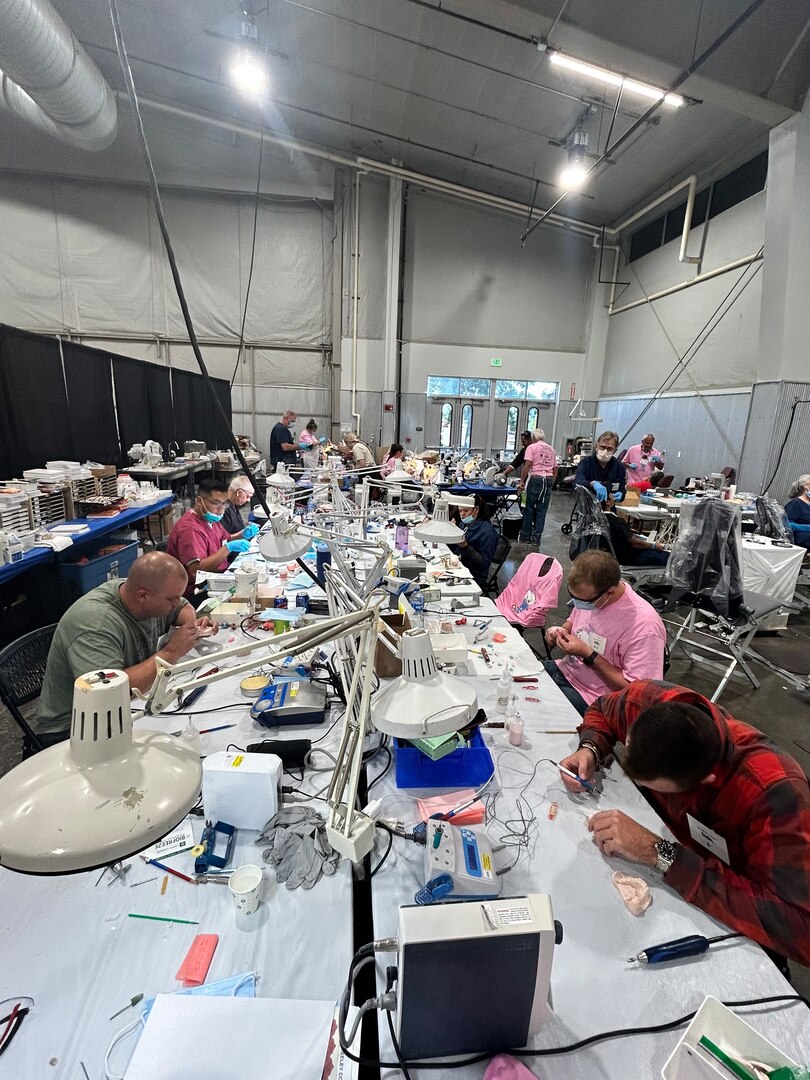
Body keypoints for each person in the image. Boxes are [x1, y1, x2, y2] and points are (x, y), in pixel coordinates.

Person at [558, 680, 810, 967]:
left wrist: (660, 852)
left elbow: (801, 929)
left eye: (654, 786)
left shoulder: (773, 793)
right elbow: (602, 709)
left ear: (706, 781)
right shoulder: (651, 702)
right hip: (684, 861)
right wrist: (591, 747)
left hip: (731, 911)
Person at [37, 553, 213, 746]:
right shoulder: (94, 624)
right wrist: (171, 651)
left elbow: (184, 607)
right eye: (172, 599)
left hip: (126, 708)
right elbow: (109, 692)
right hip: (77, 729)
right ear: (142, 596)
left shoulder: (145, 592)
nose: (176, 604)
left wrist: (191, 627)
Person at [544, 550, 666, 715]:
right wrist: (560, 632)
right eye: (574, 597)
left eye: (584, 601)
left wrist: (589, 654)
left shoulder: (644, 626)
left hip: (594, 698)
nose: (578, 604)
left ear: (610, 592)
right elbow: (573, 622)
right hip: (565, 670)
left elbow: (638, 691)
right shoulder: (592, 597)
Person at [167, 478, 251, 599]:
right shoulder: (190, 529)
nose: (221, 510)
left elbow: (224, 539)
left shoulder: (210, 519)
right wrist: (227, 549)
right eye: (216, 503)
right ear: (199, 500)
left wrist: (242, 535)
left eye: (224, 504)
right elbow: (196, 571)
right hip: (196, 591)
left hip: (216, 578)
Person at [448, 494, 500, 591]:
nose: (462, 514)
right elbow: (455, 549)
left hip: (474, 577)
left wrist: (466, 547)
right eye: (460, 511)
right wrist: (451, 531)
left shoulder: (487, 532)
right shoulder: (464, 524)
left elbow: (484, 564)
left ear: (476, 509)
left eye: (466, 511)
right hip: (459, 568)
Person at [603, 496, 669, 567]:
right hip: (628, 557)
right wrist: (653, 546)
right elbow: (634, 543)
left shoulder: (598, 520)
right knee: (670, 557)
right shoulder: (617, 521)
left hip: (611, 556)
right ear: (607, 502)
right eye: (611, 494)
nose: (614, 495)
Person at [518, 429, 557, 545]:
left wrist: (522, 480)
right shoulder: (551, 449)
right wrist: (552, 482)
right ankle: (537, 538)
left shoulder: (532, 447)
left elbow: (528, 464)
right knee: (541, 511)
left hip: (536, 479)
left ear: (533, 438)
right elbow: (555, 469)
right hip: (548, 479)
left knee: (528, 508)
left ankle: (526, 536)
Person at [575, 430, 627, 505]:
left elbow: (622, 488)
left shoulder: (619, 467)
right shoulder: (586, 463)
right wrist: (592, 483)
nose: (605, 451)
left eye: (609, 449)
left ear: (615, 450)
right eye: (602, 447)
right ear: (596, 446)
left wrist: (621, 494)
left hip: (609, 507)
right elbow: (578, 481)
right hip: (587, 508)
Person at [784, 475, 810, 552]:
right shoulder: (795, 503)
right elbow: (787, 525)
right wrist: (808, 528)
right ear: (805, 486)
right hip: (801, 538)